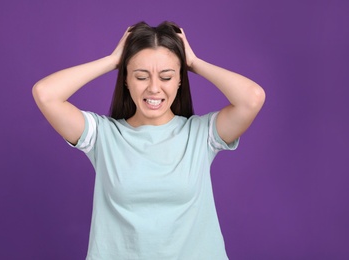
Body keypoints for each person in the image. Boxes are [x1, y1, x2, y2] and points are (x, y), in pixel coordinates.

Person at [33, 21, 265, 260]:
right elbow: (46, 94)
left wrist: (194, 63)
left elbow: (252, 98)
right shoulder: (103, 135)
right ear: (126, 79)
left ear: (180, 80)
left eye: (166, 76)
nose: (154, 88)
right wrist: (114, 60)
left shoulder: (201, 134)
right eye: (141, 76)